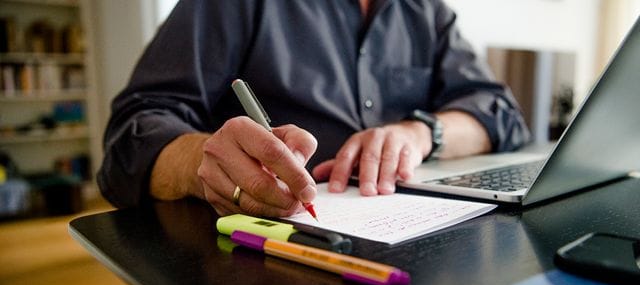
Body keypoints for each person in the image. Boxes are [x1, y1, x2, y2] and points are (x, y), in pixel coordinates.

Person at [98, 0, 530, 218]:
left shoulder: (426, 11)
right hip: (270, 263)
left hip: (415, 240)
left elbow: (499, 112)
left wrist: (420, 134)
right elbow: (132, 131)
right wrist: (202, 159)